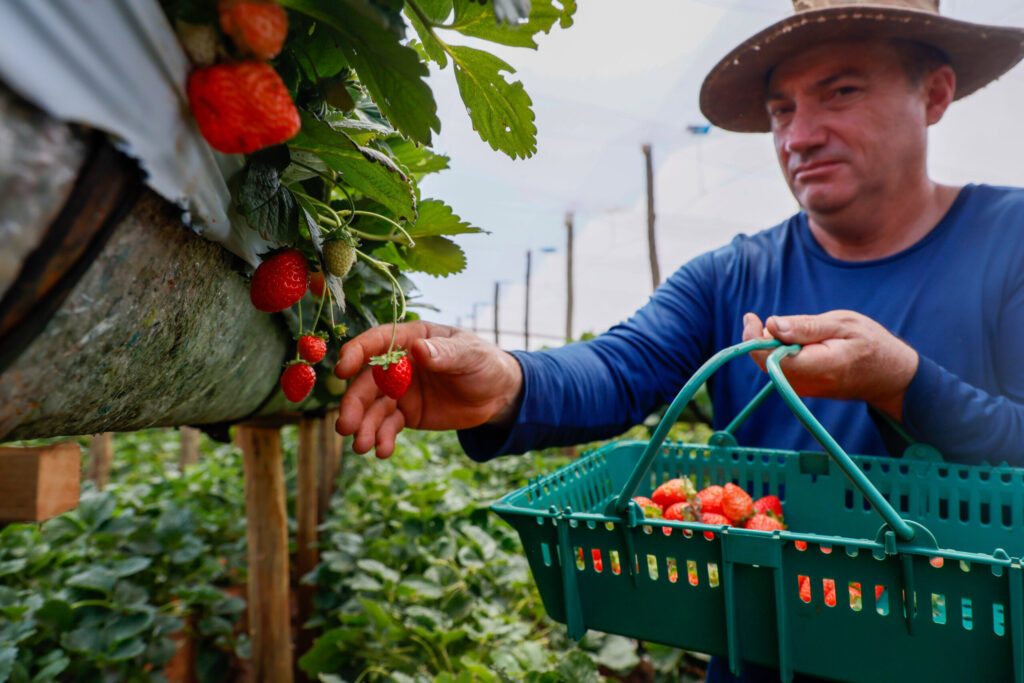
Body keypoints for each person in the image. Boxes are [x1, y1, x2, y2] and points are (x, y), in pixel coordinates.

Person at [335, 0, 1024, 679]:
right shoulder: (734, 275)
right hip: (762, 654)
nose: (799, 135)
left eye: (840, 92)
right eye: (781, 109)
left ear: (934, 94)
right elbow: (619, 367)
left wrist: (904, 382)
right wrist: (509, 380)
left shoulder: (1010, 242)